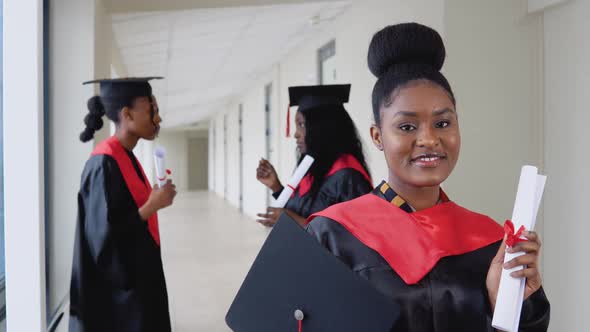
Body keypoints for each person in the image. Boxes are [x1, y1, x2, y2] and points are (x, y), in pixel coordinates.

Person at [306, 23, 550, 331]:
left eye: (443, 123)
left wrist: (512, 304)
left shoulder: (490, 240)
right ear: (377, 136)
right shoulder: (333, 234)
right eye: (407, 127)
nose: (430, 139)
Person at [69, 77, 177, 332]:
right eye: (152, 110)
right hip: (119, 304)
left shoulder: (125, 157)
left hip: (138, 286)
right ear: (127, 115)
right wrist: (152, 206)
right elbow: (102, 242)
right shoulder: (103, 164)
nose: (158, 119)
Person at [256, 84, 372, 227]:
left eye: (302, 125)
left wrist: (294, 222)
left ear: (323, 127)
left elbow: (354, 235)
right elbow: (300, 210)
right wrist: (276, 187)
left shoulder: (347, 176)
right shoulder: (314, 167)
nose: (295, 134)